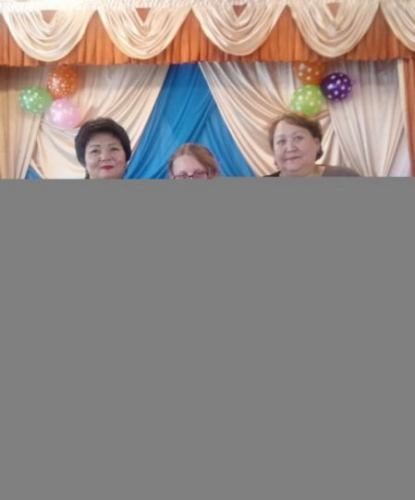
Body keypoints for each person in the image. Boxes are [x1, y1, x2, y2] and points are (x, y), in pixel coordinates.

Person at [266, 113, 360, 177]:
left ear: (317, 144)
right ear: (273, 151)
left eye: (298, 138)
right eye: (281, 141)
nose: (290, 148)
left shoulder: (344, 176)